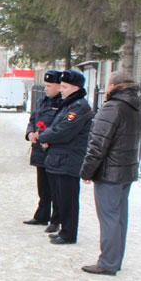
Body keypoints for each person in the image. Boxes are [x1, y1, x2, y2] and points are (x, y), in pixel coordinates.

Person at [79, 69, 141, 276]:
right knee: (119, 218)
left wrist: (87, 171)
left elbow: (97, 144)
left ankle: (108, 262)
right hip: (126, 170)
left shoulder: (112, 108)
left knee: (108, 217)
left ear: (113, 86)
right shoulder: (135, 108)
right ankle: (115, 259)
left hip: (109, 172)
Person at [36, 70, 93, 245]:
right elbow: (55, 125)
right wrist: (46, 135)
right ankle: (64, 230)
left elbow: (63, 131)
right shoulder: (69, 104)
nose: (61, 89)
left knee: (68, 199)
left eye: (65, 87)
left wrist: (43, 136)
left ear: (75, 88)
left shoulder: (79, 107)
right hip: (59, 158)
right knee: (60, 197)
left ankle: (69, 233)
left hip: (69, 159)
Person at [23, 70, 63, 232]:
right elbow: (33, 120)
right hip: (40, 149)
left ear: (59, 87)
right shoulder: (42, 102)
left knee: (55, 188)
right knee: (43, 186)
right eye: (45, 85)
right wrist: (30, 133)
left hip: (51, 150)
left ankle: (56, 219)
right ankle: (42, 215)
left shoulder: (63, 104)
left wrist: (45, 137)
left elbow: (59, 127)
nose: (45, 88)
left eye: (49, 86)